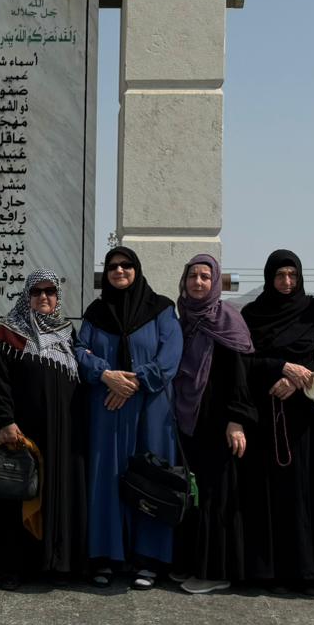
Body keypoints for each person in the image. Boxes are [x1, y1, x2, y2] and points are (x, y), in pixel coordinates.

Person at [76, 246, 182, 589]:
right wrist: (106, 375)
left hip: (149, 408)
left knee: (151, 477)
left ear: (137, 269)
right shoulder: (96, 311)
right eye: (112, 267)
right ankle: (106, 557)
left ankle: (148, 560)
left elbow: (170, 356)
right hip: (107, 408)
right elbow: (79, 350)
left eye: (126, 266)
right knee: (106, 478)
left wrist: (133, 383)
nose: (119, 272)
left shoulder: (162, 309)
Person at [237, 250, 314, 590]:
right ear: (269, 278)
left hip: (308, 418)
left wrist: (299, 380)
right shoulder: (253, 314)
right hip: (268, 417)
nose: (286, 282)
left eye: (292, 276)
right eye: (280, 276)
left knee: (307, 492)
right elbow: (246, 362)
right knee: (271, 494)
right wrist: (279, 368)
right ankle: (272, 572)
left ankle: (309, 572)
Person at [0, 269, 86, 588]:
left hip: (60, 436)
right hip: (21, 435)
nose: (44, 297)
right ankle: (12, 567)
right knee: (16, 498)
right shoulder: (9, 334)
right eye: (37, 291)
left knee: (54, 495)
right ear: (27, 296)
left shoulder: (68, 333)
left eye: (50, 291)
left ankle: (52, 564)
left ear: (57, 297)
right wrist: (4, 421)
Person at [171, 254, 255, 595]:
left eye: (206, 277)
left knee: (216, 497)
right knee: (193, 495)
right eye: (193, 276)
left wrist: (237, 420)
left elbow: (240, 376)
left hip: (220, 423)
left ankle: (215, 570)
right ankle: (192, 563)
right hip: (190, 420)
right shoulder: (184, 320)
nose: (199, 282)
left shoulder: (228, 321)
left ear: (215, 281)